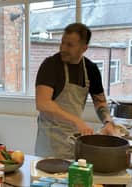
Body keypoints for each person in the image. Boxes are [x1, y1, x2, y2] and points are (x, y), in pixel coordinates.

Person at [35, 23, 119, 159]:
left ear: (84, 48)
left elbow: (100, 102)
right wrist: (76, 120)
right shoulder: (50, 65)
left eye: (69, 45)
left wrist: (108, 122)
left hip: (74, 139)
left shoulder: (91, 69)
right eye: (62, 43)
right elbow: (42, 103)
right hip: (50, 142)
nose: (63, 48)